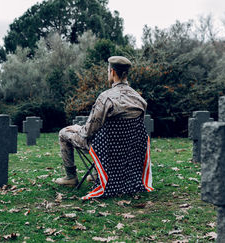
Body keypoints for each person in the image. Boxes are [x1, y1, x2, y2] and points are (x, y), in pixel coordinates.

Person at [56, 56, 153, 199]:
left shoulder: (106, 98)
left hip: (106, 149)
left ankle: (70, 177)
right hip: (129, 151)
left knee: (64, 133)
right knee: (104, 136)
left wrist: (77, 128)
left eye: (108, 71)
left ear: (112, 72)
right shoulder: (139, 99)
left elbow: (88, 132)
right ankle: (97, 174)